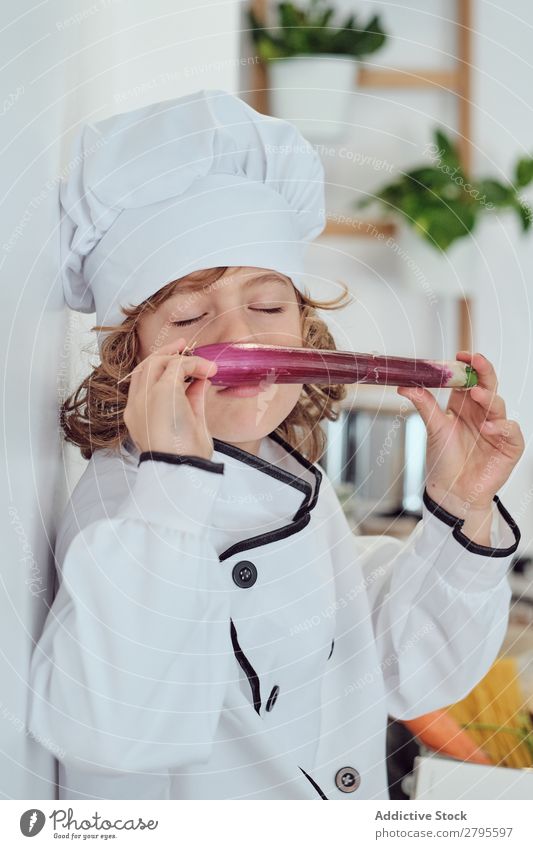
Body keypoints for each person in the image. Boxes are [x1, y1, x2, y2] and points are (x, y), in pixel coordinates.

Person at [28, 89, 524, 800]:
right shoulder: (127, 509)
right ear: (127, 358)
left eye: (267, 306)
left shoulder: (279, 473)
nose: (242, 338)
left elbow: (401, 667)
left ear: (305, 330)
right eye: (189, 314)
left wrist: (460, 507)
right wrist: (170, 482)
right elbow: (113, 728)